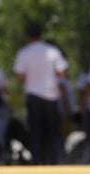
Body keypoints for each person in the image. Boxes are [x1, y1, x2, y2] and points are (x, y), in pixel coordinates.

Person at [13, 22, 68, 164]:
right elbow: (62, 72)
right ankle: (55, 161)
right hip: (51, 95)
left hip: (34, 97)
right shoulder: (52, 51)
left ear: (28, 36)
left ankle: (38, 162)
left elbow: (19, 76)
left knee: (36, 132)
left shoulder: (24, 53)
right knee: (53, 132)